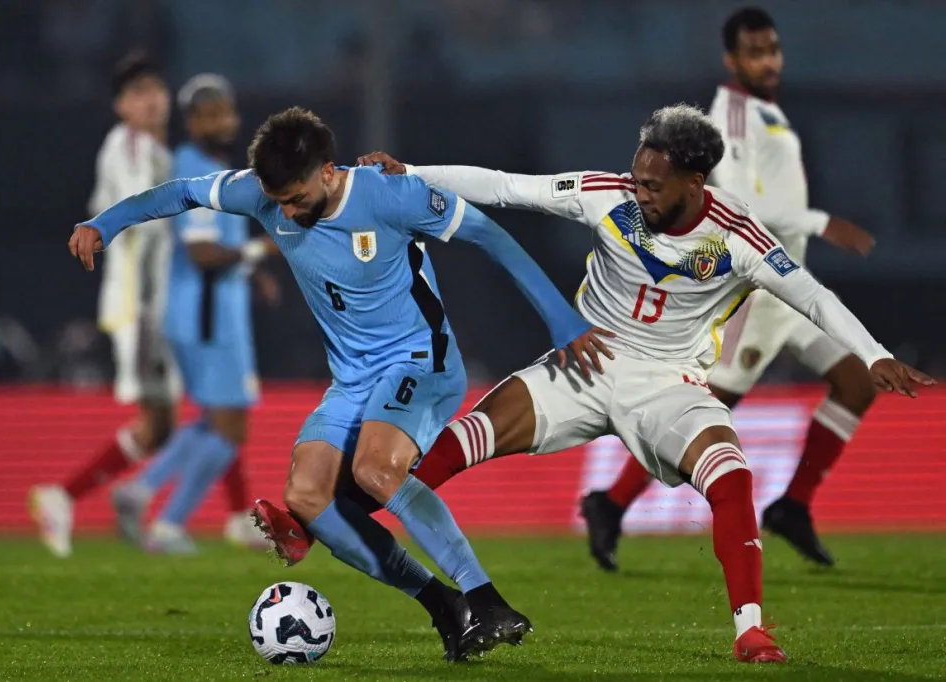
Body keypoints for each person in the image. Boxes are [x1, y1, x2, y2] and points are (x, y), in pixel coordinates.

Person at [334, 105, 932, 663]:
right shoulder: (606, 193)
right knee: (464, 437)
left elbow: (812, 296)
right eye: (637, 177)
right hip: (587, 361)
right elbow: (504, 184)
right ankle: (327, 519)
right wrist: (409, 171)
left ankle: (749, 627)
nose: (638, 190)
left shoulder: (739, 237)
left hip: (670, 383)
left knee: (732, 477)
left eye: (653, 184)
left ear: (694, 185)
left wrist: (873, 354)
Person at [68, 107, 611, 660]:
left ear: (327, 171)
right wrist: (103, 224)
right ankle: (444, 609)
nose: (286, 212)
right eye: (277, 200)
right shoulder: (261, 193)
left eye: (296, 198)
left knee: (375, 469)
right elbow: (181, 193)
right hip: (352, 379)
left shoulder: (388, 195)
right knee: (305, 497)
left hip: (419, 361)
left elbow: (489, 235)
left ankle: (487, 600)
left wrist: (562, 321)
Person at [583, 6, 881, 571]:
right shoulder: (734, 115)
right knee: (710, 407)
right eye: (756, 52)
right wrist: (819, 221)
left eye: (773, 49)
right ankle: (611, 501)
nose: (769, 61)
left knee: (856, 381)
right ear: (731, 59)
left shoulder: (767, 112)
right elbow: (743, 204)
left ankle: (792, 505)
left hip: (789, 291)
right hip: (760, 292)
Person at [29, 53, 263, 557]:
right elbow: (150, 211)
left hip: (165, 300)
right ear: (120, 106)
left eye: (156, 89)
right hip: (144, 305)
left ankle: (222, 512)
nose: (152, 99)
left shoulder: (164, 150)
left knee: (191, 413)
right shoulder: (130, 147)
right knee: (194, 412)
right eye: (138, 93)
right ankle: (78, 497)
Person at [109, 74, 275, 553]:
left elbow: (222, 247)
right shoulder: (191, 168)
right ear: (194, 119)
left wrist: (250, 267)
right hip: (206, 316)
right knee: (232, 426)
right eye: (215, 113)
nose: (227, 121)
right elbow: (202, 253)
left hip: (219, 311)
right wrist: (261, 253)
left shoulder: (216, 168)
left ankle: (140, 491)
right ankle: (168, 524)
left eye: (229, 111)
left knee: (212, 422)